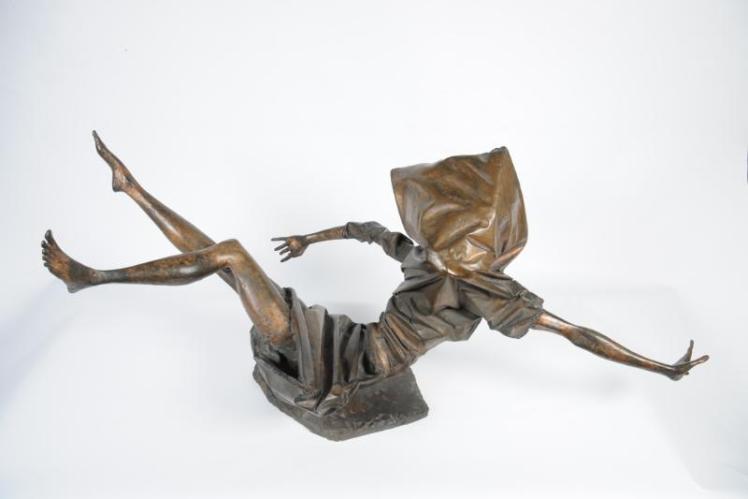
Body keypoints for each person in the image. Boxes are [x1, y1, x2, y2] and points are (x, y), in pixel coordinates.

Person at [42, 133, 708, 416]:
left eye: (443, 244)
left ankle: (93, 275)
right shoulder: (423, 254)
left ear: (467, 251)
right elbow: (368, 230)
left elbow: (575, 331)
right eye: (432, 240)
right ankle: (132, 191)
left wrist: (660, 367)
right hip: (346, 337)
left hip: (355, 369)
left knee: (230, 258)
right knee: (229, 257)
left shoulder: (485, 289)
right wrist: (310, 238)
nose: (429, 251)